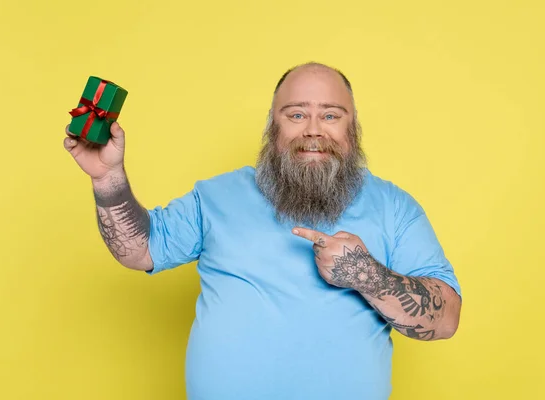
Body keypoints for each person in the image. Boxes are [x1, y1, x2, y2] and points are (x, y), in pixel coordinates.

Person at [64, 62, 462, 400]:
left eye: (330, 114)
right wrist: (108, 179)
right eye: (296, 114)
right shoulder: (216, 196)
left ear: (352, 126)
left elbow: (445, 321)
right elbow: (139, 251)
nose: (313, 129)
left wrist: (367, 275)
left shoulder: (394, 206)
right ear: (273, 125)